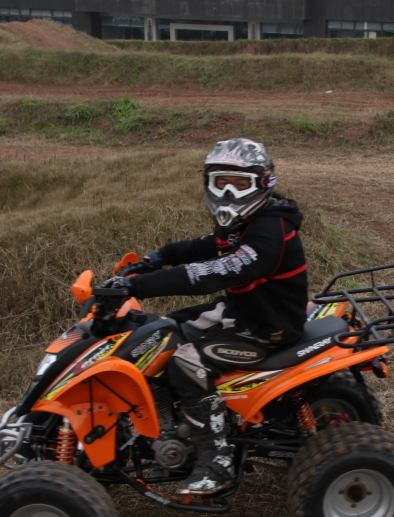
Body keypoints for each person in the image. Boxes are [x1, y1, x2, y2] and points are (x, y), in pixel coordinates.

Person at [115, 138, 307, 495]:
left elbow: (215, 271)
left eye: (240, 182)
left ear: (262, 184)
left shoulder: (270, 231)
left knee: (185, 362)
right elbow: (203, 246)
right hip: (242, 314)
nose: (230, 192)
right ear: (208, 183)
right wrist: (153, 259)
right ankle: (165, 422)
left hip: (269, 330)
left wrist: (138, 286)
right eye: (222, 182)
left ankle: (217, 460)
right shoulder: (242, 225)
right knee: (159, 335)